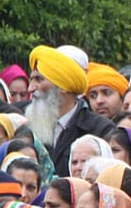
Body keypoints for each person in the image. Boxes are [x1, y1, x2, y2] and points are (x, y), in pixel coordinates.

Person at [28, 46, 116, 177]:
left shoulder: (101, 130)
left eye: (39, 79)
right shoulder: (28, 130)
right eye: (31, 79)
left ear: (63, 87)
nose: (30, 88)